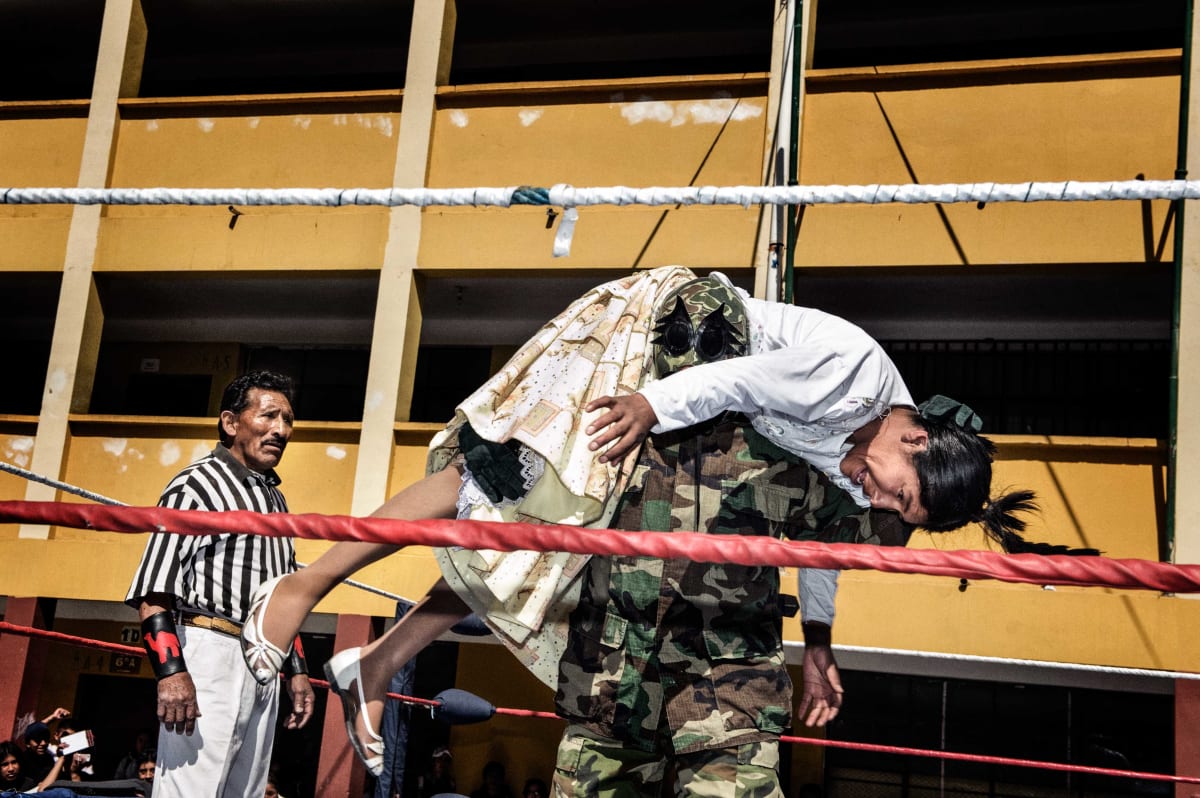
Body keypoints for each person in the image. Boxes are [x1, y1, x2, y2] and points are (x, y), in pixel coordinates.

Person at [238, 268, 1083, 779]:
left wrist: (818, 641)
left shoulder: (863, 452)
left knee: (538, 539)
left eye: (899, 511)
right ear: (916, 437)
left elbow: (822, 543)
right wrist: (645, 402)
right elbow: (735, 384)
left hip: (683, 400)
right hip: (660, 336)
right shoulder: (851, 379)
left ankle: (380, 661)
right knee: (503, 471)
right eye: (900, 490)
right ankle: (304, 584)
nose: (883, 498)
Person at [125, 370, 315, 798]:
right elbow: (154, 590)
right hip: (208, 653)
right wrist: (171, 673)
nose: (281, 430)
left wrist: (297, 670)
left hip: (264, 661)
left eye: (288, 420)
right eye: (269, 416)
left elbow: (280, 595)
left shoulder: (275, 500)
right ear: (231, 423)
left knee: (245, 792)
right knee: (191, 790)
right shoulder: (196, 484)